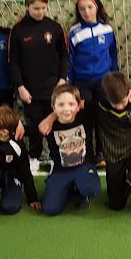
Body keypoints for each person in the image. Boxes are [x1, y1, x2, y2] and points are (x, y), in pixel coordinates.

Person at [8, 0, 68, 172]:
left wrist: (62, 79)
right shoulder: (18, 30)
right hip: (30, 90)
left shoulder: (55, 27)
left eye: (43, 8)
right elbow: (13, 62)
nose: (40, 12)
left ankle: (56, 157)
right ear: (27, 7)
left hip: (53, 89)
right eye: (35, 8)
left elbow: (65, 56)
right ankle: (33, 156)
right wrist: (20, 87)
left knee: (54, 124)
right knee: (34, 126)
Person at [67, 0, 118, 167]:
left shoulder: (107, 29)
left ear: (97, 7)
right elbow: (70, 60)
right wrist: (71, 86)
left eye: (90, 7)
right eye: (82, 9)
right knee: (85, 120)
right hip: (82, 84)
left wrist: (114, 79)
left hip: (104, 82)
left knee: (103, 118)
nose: (86, 12)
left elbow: (113, 55)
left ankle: (102, 154)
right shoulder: (74, 32)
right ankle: (87, 154)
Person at [38, 84, 101, 216]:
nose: (66, 109)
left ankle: (81, 191)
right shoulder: (48, 125)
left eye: (71, 104)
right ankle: (68, 189)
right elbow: (27, 129)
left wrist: (53, 115)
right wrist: (51, 117)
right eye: (61, 105)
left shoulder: (86, 116)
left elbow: (100, 103)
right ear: (53, 107)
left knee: (91, 189)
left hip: (84, 166)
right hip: (61, 171)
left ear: (78, 106)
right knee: (50, 209)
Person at [96, 72, 131, 216]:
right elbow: (76, 104)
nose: (120, 106)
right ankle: (126, 186)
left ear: (128, 91)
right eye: (115, 103)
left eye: (123, 102)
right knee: (116, 205)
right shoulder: (99, 104)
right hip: (113, 153)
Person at [0, 105, 41, 216]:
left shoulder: (17, 145)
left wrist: (32, 198)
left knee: (10, 208)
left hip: (11, 177)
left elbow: (25, 171)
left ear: (4, 132)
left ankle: (10, 190)